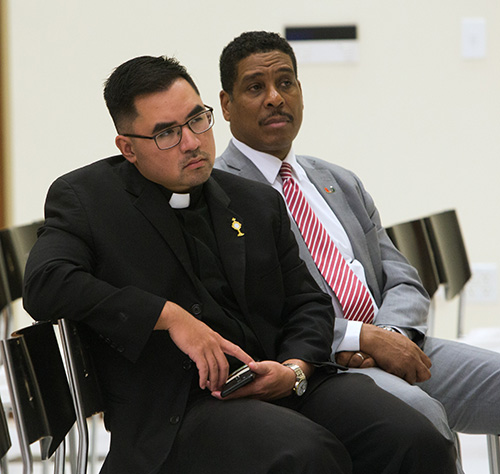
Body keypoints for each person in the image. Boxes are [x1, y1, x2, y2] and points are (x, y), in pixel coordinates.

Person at [22, 55, 456, 474]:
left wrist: (295, 369)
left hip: (282, 383)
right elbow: (45, 284)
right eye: (166, 134)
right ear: (128, 148)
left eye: (197, 119)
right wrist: (166, 316)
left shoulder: (253, 200)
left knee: (414, 437)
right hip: (182, 410)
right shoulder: (89, 199)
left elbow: (307, 302)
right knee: (304, 454)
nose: (192, 142)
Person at [215, 29, 500, 474]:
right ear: (227, 104)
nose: (275, 97)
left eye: (286, 82)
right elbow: (261, 312)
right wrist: (358, 339)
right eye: (256, 87)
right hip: (325, 365)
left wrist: (393, 337)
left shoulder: (335, 179)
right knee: (421, 425)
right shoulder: (219, 195)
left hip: (395, 342)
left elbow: (400, 274)